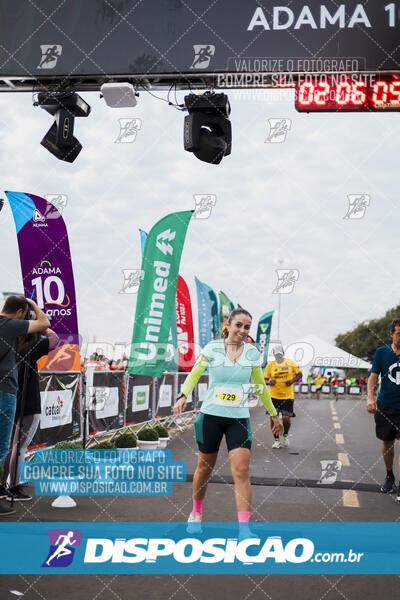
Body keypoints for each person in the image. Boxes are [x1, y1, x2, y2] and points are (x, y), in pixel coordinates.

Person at [173, 308, 283, 536]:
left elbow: (260, 386)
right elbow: (195, 373)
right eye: (238, 325)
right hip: (211, 416)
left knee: (241, 470)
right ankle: (196, 513)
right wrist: (183, 394)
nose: (242, 330)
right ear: (229, 325)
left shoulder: (252, 353)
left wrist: (273, 413)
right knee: (204, 468)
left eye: (247, 327)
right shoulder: (213, 348)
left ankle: (244, 529)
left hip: (238, 419)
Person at [0, 296, 49, 515]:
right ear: (20, 311)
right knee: (3, 446)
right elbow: (45, 323)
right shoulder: (8, 324)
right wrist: (33, 303)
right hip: (5, 391)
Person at [2, 327, 59, 500]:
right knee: (19, 448)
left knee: (9, 447)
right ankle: (13, 487)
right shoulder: (31, 347)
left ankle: (4, 485)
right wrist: (42, 325)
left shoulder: (8, 345)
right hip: (28, 402)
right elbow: (55, 339)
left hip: (10, 399)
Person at [367, 319, 400, 497]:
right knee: (388, 443)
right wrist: (370, 398)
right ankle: (389, 476)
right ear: (391, 334)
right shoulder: (382, 352)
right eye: (399, 334)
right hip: (386, 406)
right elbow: (373, 378)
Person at [264, 346, 302, 448]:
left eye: (280, 355)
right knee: (273, 418)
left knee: (286, 418)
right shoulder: (270, 365)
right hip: (273, 396)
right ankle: (276, 440)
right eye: (276, 355)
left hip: (287, 396)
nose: (278, 356)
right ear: (274, 355)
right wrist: (269, 382)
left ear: (283, 354)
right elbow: (265, 379)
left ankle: (285, 436)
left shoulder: (290, 363)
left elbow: (299, 374)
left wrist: (292, 380)